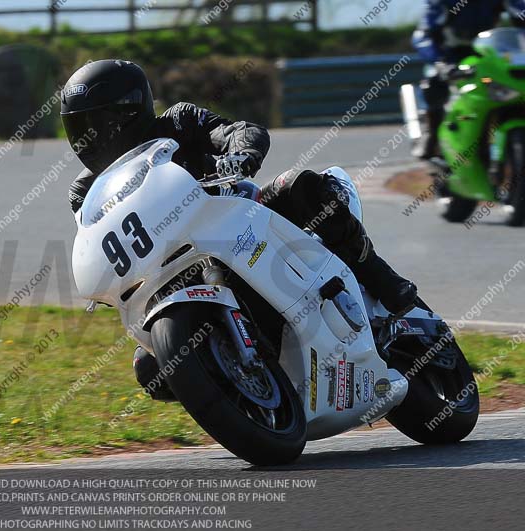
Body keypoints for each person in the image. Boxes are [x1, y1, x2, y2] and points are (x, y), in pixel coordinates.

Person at [60, 60, 417, 399]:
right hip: (172, 276)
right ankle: (242, 394)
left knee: (301, 186)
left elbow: (239, 131)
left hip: (242, 222)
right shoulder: (85, 191)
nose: (89, 139)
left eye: (96, 124)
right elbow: (98, 239)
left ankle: (383, 279)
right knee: (151, 369)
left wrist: (240, 153)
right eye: (78, 128)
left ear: (127, 113)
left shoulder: (179, 122)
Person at [412, 0, 525, 159]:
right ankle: (432, 135)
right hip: (450, 58)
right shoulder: (442, 3)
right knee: (434, 85)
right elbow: (423, 36)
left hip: (489, 55)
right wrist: (440, 63)